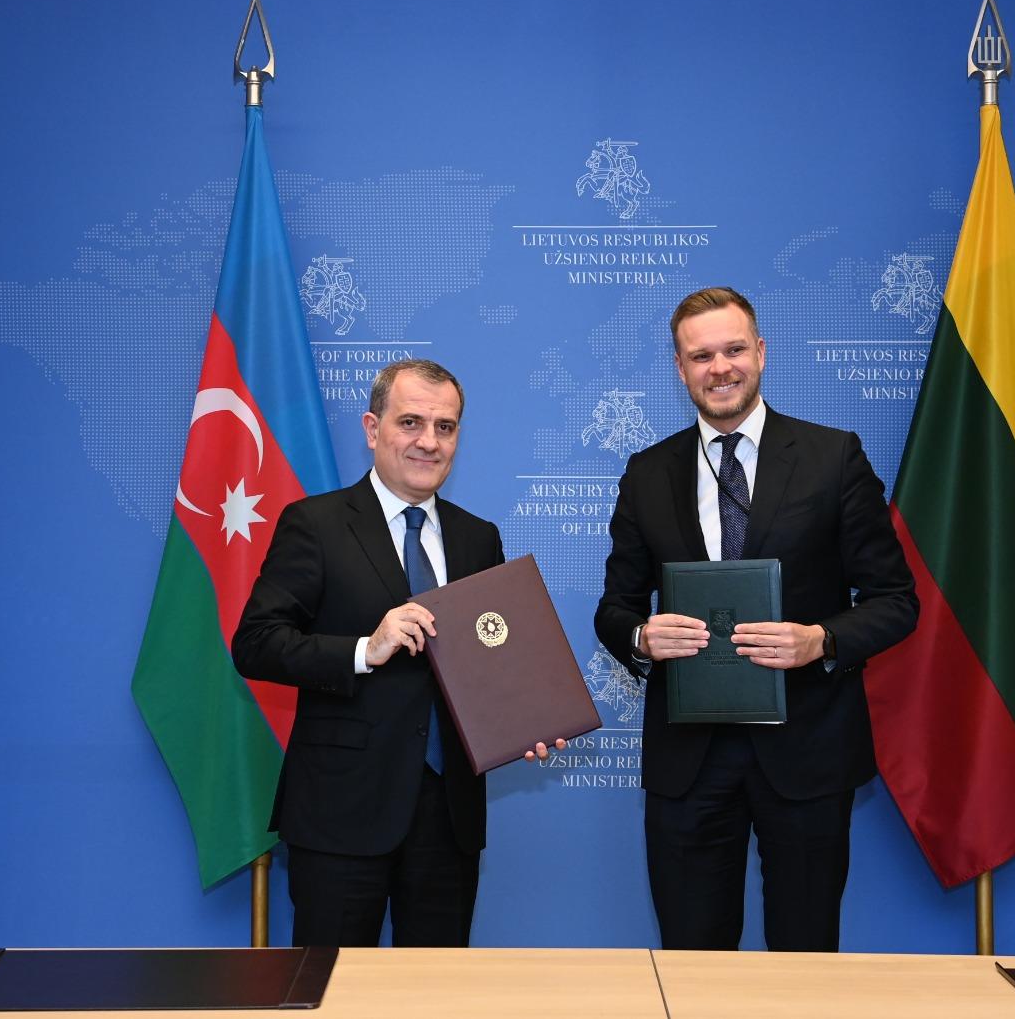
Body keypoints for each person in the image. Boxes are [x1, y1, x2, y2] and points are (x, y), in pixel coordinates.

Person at [594, 287, 918, 952]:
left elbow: (895, 600)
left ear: (761, 353)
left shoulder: (833, 458)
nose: (720, 368)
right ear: (680, 367)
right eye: (701, 355)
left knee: (804, 960)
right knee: (692, 963)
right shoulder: (647, 473)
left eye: (734, 349)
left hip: (808, 752)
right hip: (689, 762)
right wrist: (642, 636)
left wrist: (821, 640)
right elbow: (614, 608)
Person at [234, 359, 558, 948]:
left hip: (448, 818)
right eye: (411, 422)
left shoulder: (478, 537)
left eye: (445, 427)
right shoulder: (316, 523)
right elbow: (255, 644)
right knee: (332, 987)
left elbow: (487, 659)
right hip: (341, 811)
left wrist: (527, 723)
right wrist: (366, 648)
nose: (429, 441)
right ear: (372, 428)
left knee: (437, 991)